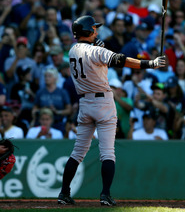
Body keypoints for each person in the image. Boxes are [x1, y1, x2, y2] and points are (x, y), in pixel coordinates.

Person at [57, 15, 166, 206]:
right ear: (87, 31)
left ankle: (64, 193)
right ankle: (105, 194)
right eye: (93, 28)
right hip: (103, 102)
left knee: (78, 152)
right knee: (107, 152)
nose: (96, 31)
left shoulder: (73, 50)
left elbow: (94, 53)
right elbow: (121, 59)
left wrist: (99, 46)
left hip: (84, 103)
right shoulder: (96, 51)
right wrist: (152, 63)